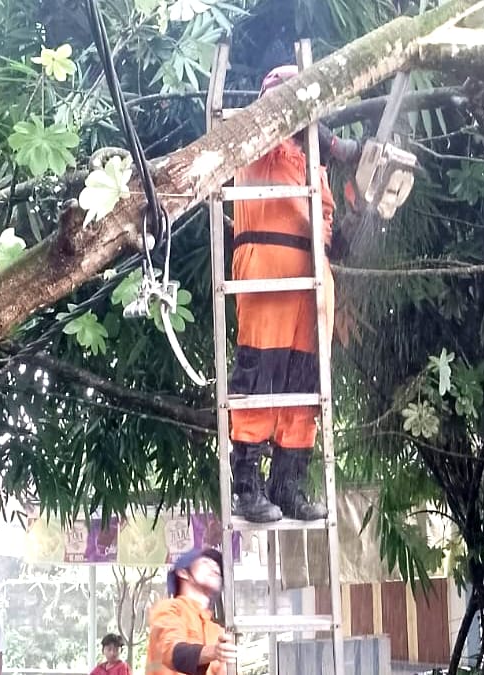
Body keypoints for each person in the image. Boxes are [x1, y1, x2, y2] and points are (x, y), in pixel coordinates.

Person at [229, 64, 359, 523]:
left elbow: (331, 232)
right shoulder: (258, 142)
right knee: (261, 374)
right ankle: (245, 486)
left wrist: (363, 198)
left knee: (304, 387)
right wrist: (336, 142)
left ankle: (288, 486)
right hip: (268, 270)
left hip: (313, 279)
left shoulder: (314, 165)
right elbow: (277, 117)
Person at [145, 548, 235, 675]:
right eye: (205, 562)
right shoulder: (170, 609)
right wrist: (213, 652)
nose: (215, 567)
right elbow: (171, 651)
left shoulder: (217, 632)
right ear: (183, 572)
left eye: (217, 566)